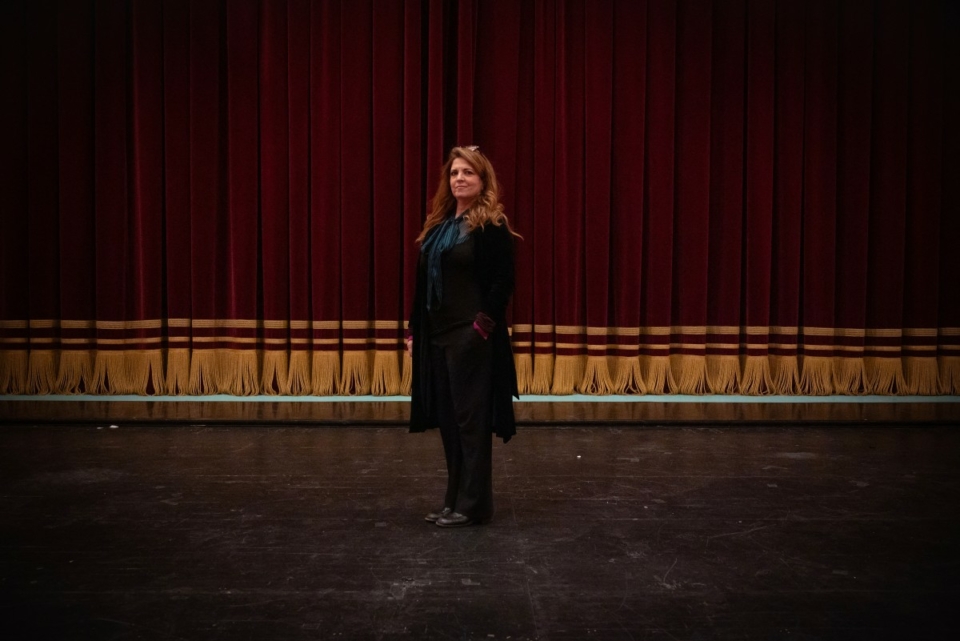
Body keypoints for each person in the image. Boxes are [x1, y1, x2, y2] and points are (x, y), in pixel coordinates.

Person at [406, 145, 521, 528]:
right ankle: (454, 499)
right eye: (454, 173)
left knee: (471, 424)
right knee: (450, 422)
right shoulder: (438, 228)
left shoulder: (490, 226)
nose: (459, 179)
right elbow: (422, 286)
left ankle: (474, 505)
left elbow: (502, 283)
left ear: (482, 180)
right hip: (437, 337)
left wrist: (481, 329)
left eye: (468, 173)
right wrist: (414, 332)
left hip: (470, 337)